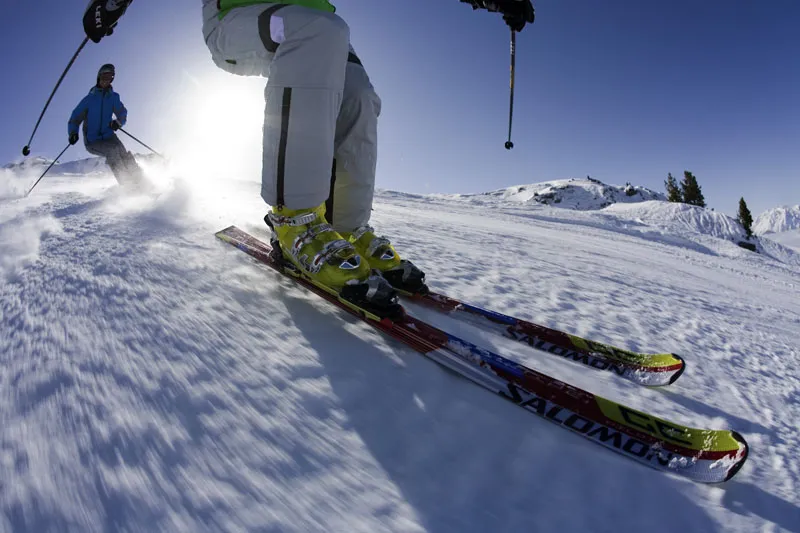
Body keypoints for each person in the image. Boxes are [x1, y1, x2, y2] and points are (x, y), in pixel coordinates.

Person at [83, 0, 534, 314]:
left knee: (359, 94)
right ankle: (294, 219)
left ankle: (346, 226)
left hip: (316, 25)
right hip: (240, 17)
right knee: (316, 31)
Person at [67, 63, 145, 188]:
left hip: (109, 136)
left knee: (122, 152)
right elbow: (75, 118)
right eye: (104, 77)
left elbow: (122, 112)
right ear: (99, 77)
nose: (106, 80)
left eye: (109, 78)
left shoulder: (113, 97)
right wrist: (73, 132)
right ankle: (127, 185)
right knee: (112, 151)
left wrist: (118, 122)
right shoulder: (89, 100)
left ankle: (140, 179)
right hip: (93, 141)